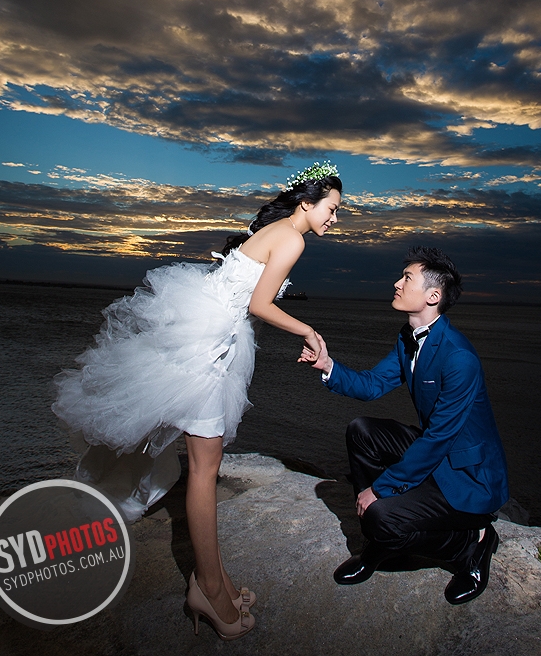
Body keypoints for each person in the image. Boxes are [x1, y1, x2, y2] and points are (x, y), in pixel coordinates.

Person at [53, 161, 341, 640]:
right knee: (205, 470)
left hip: (208, 338)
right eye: (331, 208)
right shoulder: (293, 239)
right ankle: (208, 589)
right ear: (307, 203)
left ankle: (218, 582)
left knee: (206, 464)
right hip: (205, 350)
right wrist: (309, 330)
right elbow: (259, 305)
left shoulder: (275, 230)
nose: (335, 218)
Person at [301, 246, 508, 605]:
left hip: (469, 477)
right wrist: (328, 365)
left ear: (433, 296)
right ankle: (381, 538)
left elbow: (439, 437)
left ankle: (472, 543)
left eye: (407, 278)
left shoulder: (459, 357)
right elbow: (372, 384)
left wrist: (380, 489)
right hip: (439, 454)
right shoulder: (407, 338)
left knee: (380, 513)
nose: (397, 283)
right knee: (362, 431)